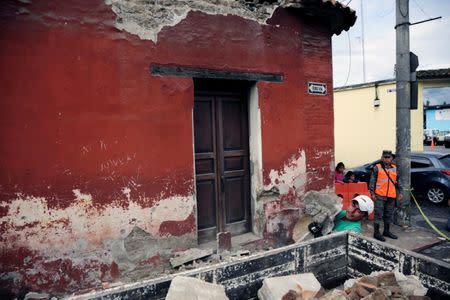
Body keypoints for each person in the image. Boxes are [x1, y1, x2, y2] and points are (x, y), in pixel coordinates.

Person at [369, 150, 402, 241]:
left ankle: (386, 231)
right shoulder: (377, 167)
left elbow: (397, 182)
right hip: (380, 195)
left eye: (388, 157)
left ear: (391, 158)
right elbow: (372, 181)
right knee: (378, 214)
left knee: (388, 214)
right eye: (385, 157)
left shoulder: (395, 168)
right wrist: (372, 193)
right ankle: (376, 233)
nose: (387, 159)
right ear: (382, 158)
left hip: (391, 195)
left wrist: (400, 192)